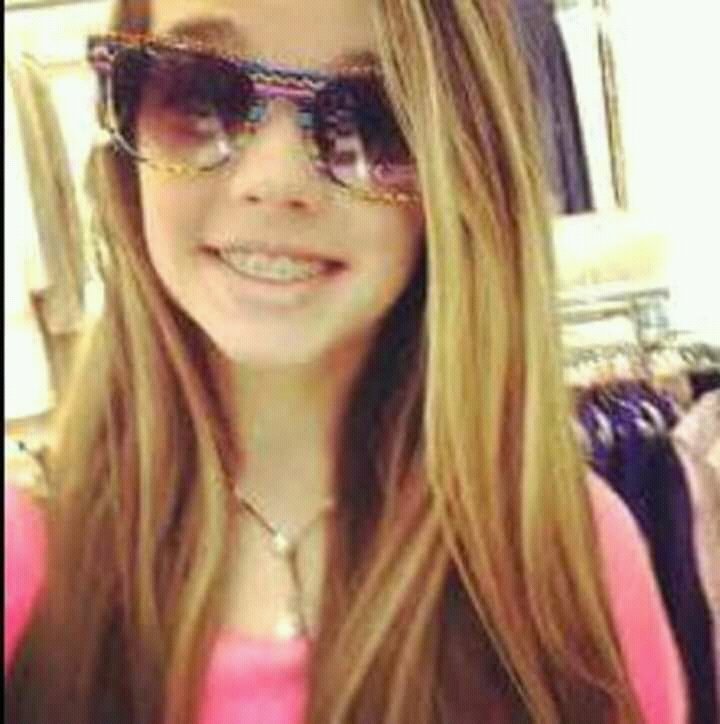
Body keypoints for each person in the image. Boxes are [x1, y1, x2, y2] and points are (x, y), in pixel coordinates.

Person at [4, 1, 688, 722]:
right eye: (199, 95)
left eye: (371, 116)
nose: (276, 179)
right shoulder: (24, 560)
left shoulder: (572, 560)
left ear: (459, 171)